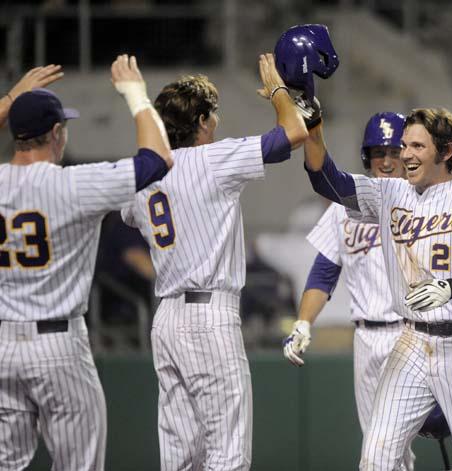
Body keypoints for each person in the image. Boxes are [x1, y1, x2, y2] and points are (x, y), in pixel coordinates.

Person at [120, 55, 308, 470]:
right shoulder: (212, 159)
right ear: (202, 120)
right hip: (209, 317)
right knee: (227, 452)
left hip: (166, 318)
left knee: (180, 456)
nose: (216, 121)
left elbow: (130, 216)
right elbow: (293, 132)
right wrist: (278, 91)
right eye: (213, 114)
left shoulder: (144, 173)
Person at [299, 100, 452, 469]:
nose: (406, 156)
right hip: (412, 340)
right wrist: (313, 123)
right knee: (377, 456)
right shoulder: (389, 194)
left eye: (417, 147)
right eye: (404, 147)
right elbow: (326, 178)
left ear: (446, 151)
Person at [0, 55, 172, 470]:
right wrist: (136, 94)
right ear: (56, 133)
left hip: (3, 345)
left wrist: (9, 100)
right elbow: (157, 159)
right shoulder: (74, 184)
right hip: (58, 345)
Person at [284, 112, 422, 469]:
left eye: (394, 151)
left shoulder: (424, 201)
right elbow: (324, 272)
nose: (387, 161)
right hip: (365, 338)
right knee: (382, 447)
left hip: (413, 334)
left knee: (382, 451)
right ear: (366, 157)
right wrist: (303, 322)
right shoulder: (345, 206)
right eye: (379, 153)